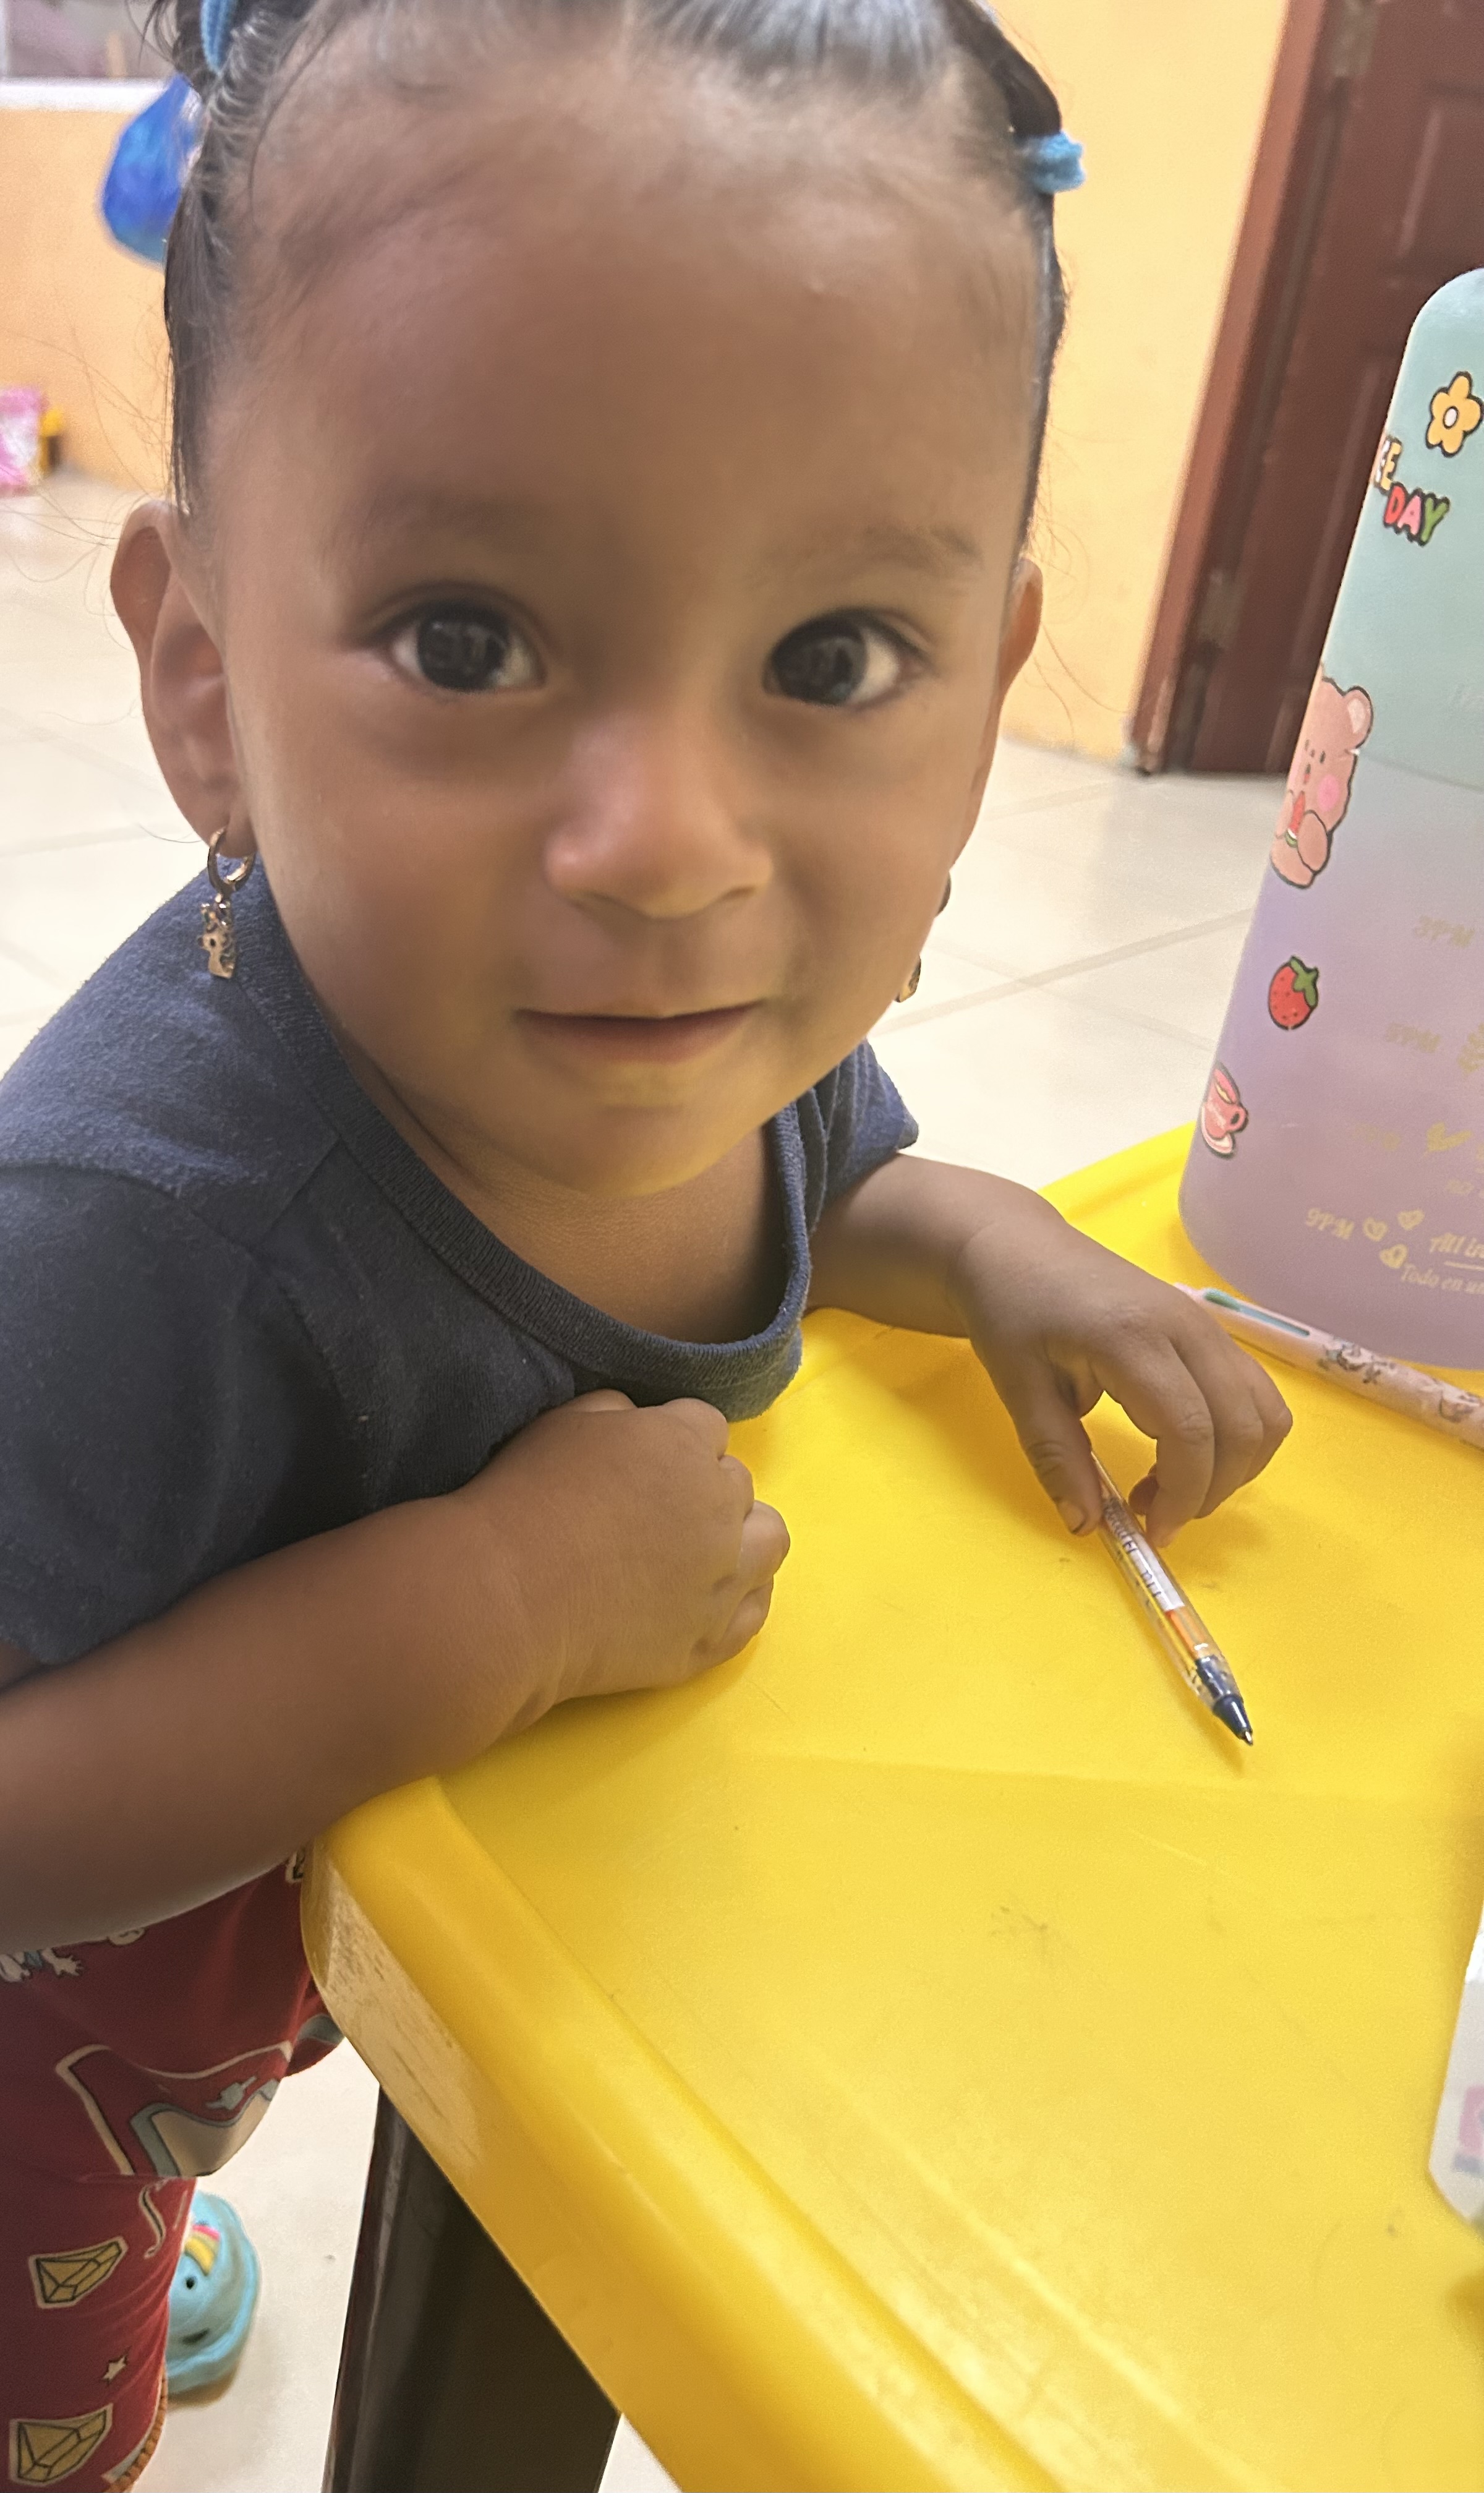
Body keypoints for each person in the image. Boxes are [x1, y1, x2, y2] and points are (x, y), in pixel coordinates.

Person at [0, 0, 1292, 2476]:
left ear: (987, 690)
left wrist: (994, 1252)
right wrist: (493, 1606)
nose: (672, 850)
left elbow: (829, 1176)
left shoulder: (683, 1032)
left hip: (225, 1995)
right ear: (202, 682)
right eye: (465, 640)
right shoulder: (119, 1240)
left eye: (834, 660)